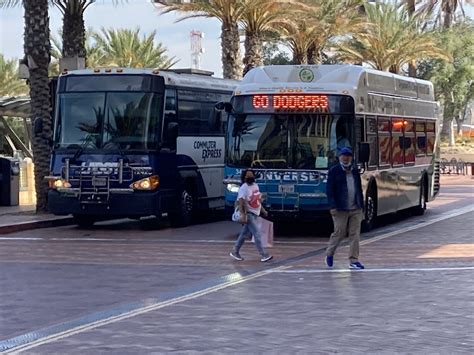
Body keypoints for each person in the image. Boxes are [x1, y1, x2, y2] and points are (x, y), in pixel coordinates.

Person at [325, 147, 365, 270]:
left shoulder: (354, 171)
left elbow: (358, 188)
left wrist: (361, 206)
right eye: (344, 155)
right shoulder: (334, 171)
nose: (346, 158)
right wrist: (332, 206)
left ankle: (354, 260)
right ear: (339, 157)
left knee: (355, 234)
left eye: (348, 156)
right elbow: (329, 190)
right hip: (340, 208)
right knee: (339, 232)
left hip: (355, 208)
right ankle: (329, 253)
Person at [230, 169, 273, 262]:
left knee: (244, 234)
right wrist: (242, 214)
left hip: (255, 213)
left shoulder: (255, 185)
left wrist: (263, 210)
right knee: (257, 233)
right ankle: (264, 254)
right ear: (244, 178)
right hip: (248, 213)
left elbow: (257, 200)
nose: (249, 177)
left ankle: (235, 251)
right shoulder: (243, 188)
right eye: (247, 176)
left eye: (251, 175)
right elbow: (241, 202)